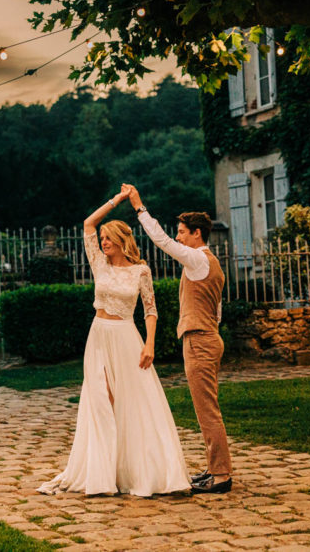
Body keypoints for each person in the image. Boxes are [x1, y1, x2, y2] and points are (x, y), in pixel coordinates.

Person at [37, 189, 189, 497]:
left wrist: (150, 345)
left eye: (109, 238)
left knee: (133, 404)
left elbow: (150, 310)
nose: (103, 242)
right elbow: (88, 224)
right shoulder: (98, 264)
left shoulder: (140, 270)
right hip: (99, 337)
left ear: (121, 240)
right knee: (101, 401)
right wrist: (116, 201)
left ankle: (136, 471)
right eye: (103, 238)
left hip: (126, 338)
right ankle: (103, 473)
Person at [124, 184, 232, 494]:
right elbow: (217, 309)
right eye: (179, 232)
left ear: (197, 234)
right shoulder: (211, 264)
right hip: (207, 335)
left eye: (183, 232)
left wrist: (139, 208)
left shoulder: (198, 260)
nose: (179, 236)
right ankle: (214, 469)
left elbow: (162, 241)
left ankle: (221, 476)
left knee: (207, 410)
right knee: (206, 408)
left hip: (199, 340)